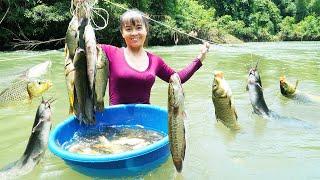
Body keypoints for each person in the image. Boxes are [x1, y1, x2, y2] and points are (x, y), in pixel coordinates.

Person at [100, 9, 210, 105]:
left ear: (146, 30)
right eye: (128, 29)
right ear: (122, 33)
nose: (134, 33)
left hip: (145, 121)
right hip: (116, 122)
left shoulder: (155, 61)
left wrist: (200, 57)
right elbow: (85, 48)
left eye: (138, 28)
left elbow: (177, 79)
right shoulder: (109, 52)